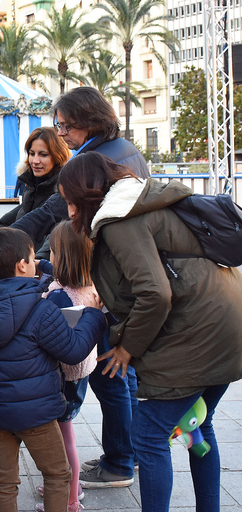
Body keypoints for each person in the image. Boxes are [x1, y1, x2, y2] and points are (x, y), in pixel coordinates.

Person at [0, 86, 147, 488]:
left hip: (101, 282)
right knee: (117, 377)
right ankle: (124, 454)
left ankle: (121, 463)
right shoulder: (120, 150)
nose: (60, 136)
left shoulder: (98, 160)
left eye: (63, 128)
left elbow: (49, 215)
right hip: (106, 279)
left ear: (88, 122)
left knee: (110, 377)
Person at [58, 152, 242, 512]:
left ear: (87, 195)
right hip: (226, 321)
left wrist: (128, 347)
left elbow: (155, 294)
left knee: (149, 436)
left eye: (70, 202)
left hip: (197, 330)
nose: (69, 212)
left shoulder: (119, 219)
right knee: (197, 427)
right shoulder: (147, 196)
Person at [0, 227, 106, 512]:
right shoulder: (41, 309)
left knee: (3, 481)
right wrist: (92, 314)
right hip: (37, 413)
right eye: (32, 257)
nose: (36, 261)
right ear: (22, 265)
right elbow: (74, 350)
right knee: (57, 473)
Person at [35, 220, 102, 512]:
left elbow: (51, 336)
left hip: (63, 376)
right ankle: (66, 487)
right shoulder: (89, 283)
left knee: (63, 441)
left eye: (52, 253)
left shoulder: (62, 296)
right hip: (80, 374)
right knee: (67, 434)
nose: (49, 258)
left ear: (62, 257)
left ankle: (70, 499)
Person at [0, 127, 71, 258]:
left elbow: (56, 234)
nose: (35, 161)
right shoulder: (32, 182)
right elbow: (25, 210)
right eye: (32, 153)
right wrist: (2, 228)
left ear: (58, 156)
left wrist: (37, 261)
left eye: (43, 154)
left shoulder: (65, 189)